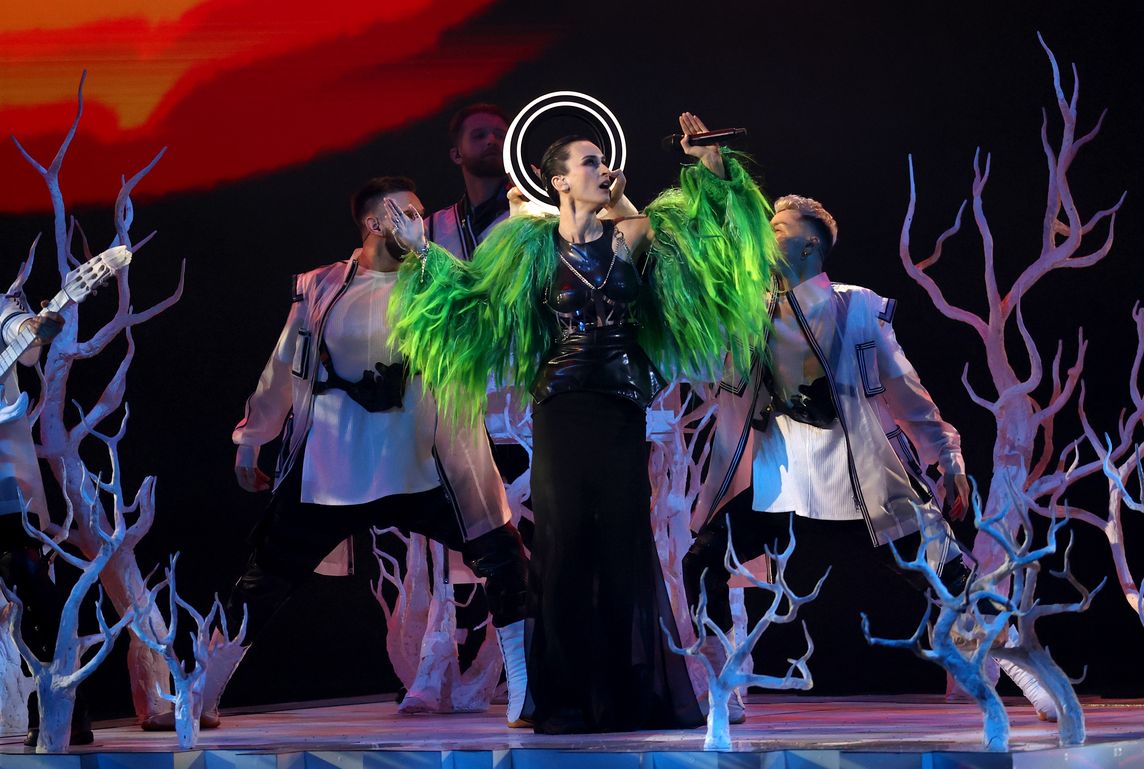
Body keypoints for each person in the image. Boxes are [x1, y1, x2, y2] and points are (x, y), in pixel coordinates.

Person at [386, 112, 778, 733]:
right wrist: (420, 255)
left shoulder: (632, 236)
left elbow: (704, 242)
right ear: (559, 180)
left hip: (621, 405)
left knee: (623, 540)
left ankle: (628, 693)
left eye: (603, 160)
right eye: (588, 163)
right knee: (564, 545)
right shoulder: (529, 247)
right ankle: (561, 696)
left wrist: (704, 161)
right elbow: (473, 301)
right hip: (562, 406)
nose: (602, 169)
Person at [141, 177, 531, 731]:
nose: (420, 224)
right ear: (375, 224)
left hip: (428, 464)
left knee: (505, 556)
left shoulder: (441, 279)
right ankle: (197, 696)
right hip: (336, 465)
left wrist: (431, 254)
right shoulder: (322, 286)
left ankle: (525, 691)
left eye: (422, 215)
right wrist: (253, 437)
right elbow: (284, 365)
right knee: (264, 579)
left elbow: (482, 315)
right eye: (408, 214)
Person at [686, 194, 1056, 722]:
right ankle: (723, 685)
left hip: (865, 484)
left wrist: (946, 456)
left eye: (779, 226)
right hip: (786, 486)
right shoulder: (750, 314)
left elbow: (906, 391)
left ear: (810, 243)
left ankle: (1028, 674)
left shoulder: (855, 306)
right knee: (703, 563)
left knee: (950, 578)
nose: (766, 235)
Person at [0, 292, 85, 747]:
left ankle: (62, 707)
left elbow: (21, 336)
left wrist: (33, 329)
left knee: (28, 582)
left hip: (4, 481)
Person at [429, 103, 511, 260]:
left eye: (500, 136)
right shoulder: (433, 228)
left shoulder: (537, 207)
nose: (492, 140)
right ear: (457, 155)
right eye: (479, 135)